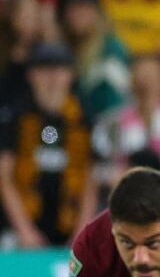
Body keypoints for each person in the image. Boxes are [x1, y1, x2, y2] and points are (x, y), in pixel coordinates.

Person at [0, 41, 96, 248]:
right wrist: (24, 231)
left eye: (59, 69)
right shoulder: (14, 118)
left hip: (70, 226)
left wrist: (81, 230)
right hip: (22, 231)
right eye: (44, 69)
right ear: (31, 75)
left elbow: (90, 179)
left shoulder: (84, 120)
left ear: (70, 75)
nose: (52, 78)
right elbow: (4, 176)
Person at [93, 52, 160, 196]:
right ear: (132, 81)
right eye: (142, 75)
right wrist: (116, 177)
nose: (147, 82)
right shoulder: (112, 123)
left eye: (153, 76)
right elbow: (98, 169)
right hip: (122, 199)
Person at [61, 0, 131, 120]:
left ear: (98, 12)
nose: (78, 14)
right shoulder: (66, 47)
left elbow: (112, 109)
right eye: (72, 8)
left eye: (85, 8)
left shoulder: (111, 51)